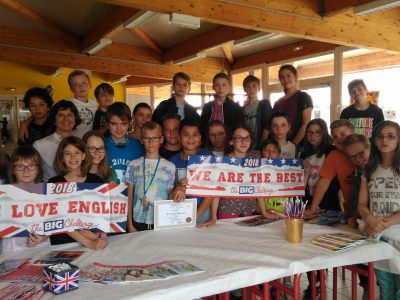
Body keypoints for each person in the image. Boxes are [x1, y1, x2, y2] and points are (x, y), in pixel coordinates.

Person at [358, 120, 400, 300]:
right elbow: (361, 204)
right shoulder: (369, 169)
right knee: (385, 287)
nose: (385, 140)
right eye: (380, 136)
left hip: (396, 232)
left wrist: (384, 223)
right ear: (374, 140)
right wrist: (369, 218)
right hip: (378, 236)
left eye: (391, 136)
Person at [48, 136, 106, 249]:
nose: (73, 157)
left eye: (77, 153)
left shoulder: (96, 181)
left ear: (84, 155)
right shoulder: (54, 183)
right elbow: (59, 219)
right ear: (62, 158)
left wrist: (97, 234)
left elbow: (102, 214)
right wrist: (89, 243)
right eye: (67, 153)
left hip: (93, 240)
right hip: (62, 244)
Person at [205, 124, 263, 224]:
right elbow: (216, 191)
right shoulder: (223, 161)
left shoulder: (255, 156)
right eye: (239, 138)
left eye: (247, 138)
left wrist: (264, 212)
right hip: (227, 212)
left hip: (249, 213)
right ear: (231, 141)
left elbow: (259, 186)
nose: (244, 142)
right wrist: (213, 218)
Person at [124, 122, 176, 231]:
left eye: (154, 138)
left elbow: (170, 194)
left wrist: (181, 188)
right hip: (137, 220)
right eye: (147, 138)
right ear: (142, 140)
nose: (151, 142)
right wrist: (129, 223)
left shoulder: (170, 166)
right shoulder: (133, 165)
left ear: (161, 140)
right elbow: (128, 196)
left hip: (161, 220)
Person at [1, 146, 49, 254]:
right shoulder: (4, 194)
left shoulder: (47, 193)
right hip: (12, 248)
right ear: (13, 169)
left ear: (38, 169)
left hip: (41, 246)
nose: (26, 170)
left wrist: (43, 238)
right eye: (20, 166)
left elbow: (52, 224)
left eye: (31, 166)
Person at [343, 133, 371, 299]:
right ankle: (367, 286)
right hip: (366, 222)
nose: (359, 159)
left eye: (361, 153)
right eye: (353, 157)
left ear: (369, 147)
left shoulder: (384, 165)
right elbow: (355, 200)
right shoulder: (358, 172)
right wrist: (354, 215)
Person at [169, 119, 213, 223]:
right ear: (179, 137)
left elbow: (212, 191)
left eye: (195, 134)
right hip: (178, 212)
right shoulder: (171, 162)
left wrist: (196, 215)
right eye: (186, 135)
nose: (191, 139)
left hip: (203, 213)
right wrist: (177, 188)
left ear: (200, 137)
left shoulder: (209, 158)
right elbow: (168, 191)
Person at [309, 120, 356, 214]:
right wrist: (313, 208)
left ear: (353, 134)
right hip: (351, 212)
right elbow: (323, 182)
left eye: (343, 134)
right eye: (335, 136)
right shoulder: (334, 156)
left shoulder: (367, 152)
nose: (339, 139)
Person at [33, 100, 81, 181]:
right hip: (50, 190)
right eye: (61, 115)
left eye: (70, 115)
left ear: (75, 119)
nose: (66, 118)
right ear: (54, 120)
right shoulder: (39, 145)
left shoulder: (82, 143)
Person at [105, 102, 144, 184]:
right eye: (114, 124)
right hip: (107, 194)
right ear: (107, 124)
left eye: (123, 124)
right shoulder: (101, 145)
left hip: (131, 194)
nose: (119, 129)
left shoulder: (138, 146)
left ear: (130, 123)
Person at [273, 64, 313, 145]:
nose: (286, 79)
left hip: (298, 144)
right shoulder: (277, 103)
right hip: (279, 145)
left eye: (288, 76)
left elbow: (306, 123)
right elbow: (274, 125)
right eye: (282, 77)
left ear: (295, 76)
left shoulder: (304, 96)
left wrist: (293, 145)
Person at [201, 72, 244, 137]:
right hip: (209, 144)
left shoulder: (236, 108)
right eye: (217, 85)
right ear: (213, 87)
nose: (221, 88)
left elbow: (239, 129)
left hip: (228, 144)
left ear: (229, 87)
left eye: (224, 85)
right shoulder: (207, 107)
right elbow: (202, 127)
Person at [258, 139, 286, 217]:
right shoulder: (256, 171)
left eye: (274, 151)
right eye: (266, 150)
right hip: (265, 214)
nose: (270, 154)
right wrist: (263, 211)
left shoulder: (286, 170)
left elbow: (297, 190)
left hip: (285, 213)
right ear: (261, 152)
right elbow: (254, 198)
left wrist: (306, 172)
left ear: (278, 154)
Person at [242, 75, 273, 147]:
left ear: (259, 88)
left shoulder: (264, 104)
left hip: (261, 145)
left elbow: (267, 126)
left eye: (254, 86)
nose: (251, 89)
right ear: (244, 89)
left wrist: (261, 145)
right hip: (246, 145)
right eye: (248, 86)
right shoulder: (242, 109)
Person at [67, 70, 98, 138]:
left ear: (90, 85)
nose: (81, 87)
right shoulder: (68, 105)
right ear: (71, 89)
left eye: (84, 83)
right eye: (76, 84)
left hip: (90, 142)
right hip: (74, 143)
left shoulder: (95, 103)